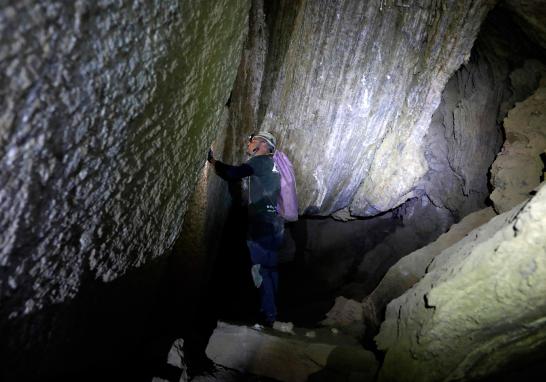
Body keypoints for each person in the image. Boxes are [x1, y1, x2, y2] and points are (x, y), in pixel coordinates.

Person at [207, 132, 284, 326]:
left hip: (262, 224)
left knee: (259, 268)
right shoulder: (274, 166)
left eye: (253, 141)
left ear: (264, 145)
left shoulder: (261, 161)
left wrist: (213, 161)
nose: (249, 144)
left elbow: (233, 173)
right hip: (275, 223)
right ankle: (270, 313)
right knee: (270, 269)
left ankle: (265, 315)